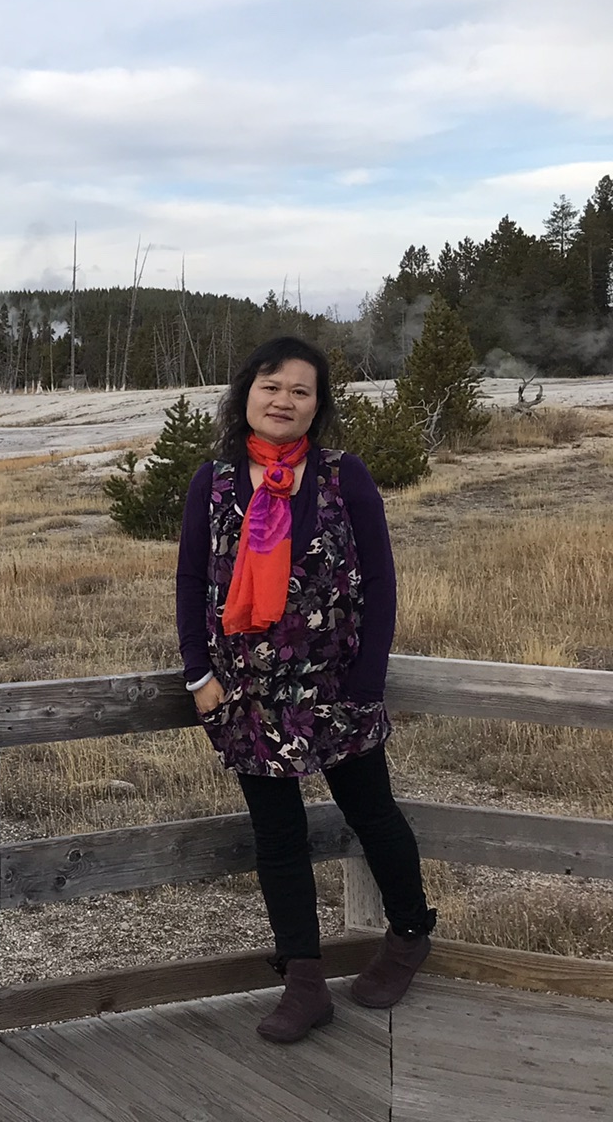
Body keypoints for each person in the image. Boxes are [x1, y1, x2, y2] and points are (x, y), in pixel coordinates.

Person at [176, 336, 435, 1043]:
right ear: (246, 394)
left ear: (317, 406)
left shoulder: (342, 477)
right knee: (279, 836)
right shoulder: (216, 481)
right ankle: (305, 980)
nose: (283, 400)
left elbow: (379, 582)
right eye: (271, 386)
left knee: (372, 813)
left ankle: (410, 934)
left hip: (336, 688)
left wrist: (367, 680)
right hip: (246, 694)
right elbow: (193, 580)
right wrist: (198, 674)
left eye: (301, 390)